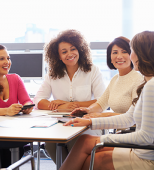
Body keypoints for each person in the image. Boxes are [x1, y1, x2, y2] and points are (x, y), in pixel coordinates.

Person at [61, 31, 154, 170]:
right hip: (144, 152)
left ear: (142, 55)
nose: (130, 55)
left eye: (131, 50)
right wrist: (90, 121)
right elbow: (129, 118)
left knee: (88, 159)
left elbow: (146, 137)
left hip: (148, 160)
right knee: (84, 141)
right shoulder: (153, 83)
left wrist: (102, 139)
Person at [33, 29, 106, 163]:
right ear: (58, 56)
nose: (70, 54)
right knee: (50, 144)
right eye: (64, 51)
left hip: (87, 123)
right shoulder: (52, 74)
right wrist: (59, 106)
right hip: (60, 124)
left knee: (75, 142)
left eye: (73, 49)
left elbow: (102, 100)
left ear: (79, 50)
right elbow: (38, 100)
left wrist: (75, 105)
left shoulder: (92, 70)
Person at [70, 36, 143, 120]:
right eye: (115, 53)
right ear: (110, 58)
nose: (119, 56)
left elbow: (135, 115)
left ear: (132, 55)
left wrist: (103, 115)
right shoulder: (115, 79)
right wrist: (87, 110)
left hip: (132, 131)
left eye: (124, 52)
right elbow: (101, 104)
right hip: (118, 130)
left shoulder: (138, 79)